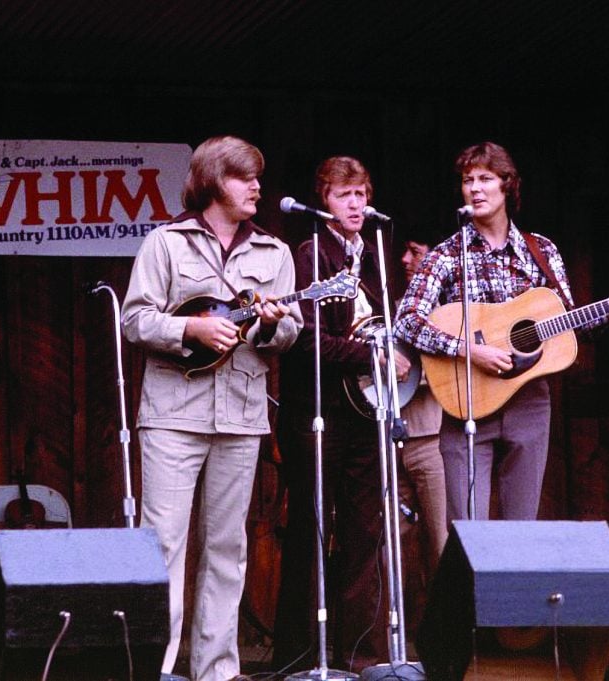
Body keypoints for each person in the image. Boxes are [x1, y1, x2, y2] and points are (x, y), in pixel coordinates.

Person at [121, 135, 301, 681]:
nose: (256, 187)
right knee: (164, 546)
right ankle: (158, 669)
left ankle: (216, 671)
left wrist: (270, 323)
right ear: (213, 182)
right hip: (172, 415)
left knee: (227, 548)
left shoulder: (275, 252)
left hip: (242, 416)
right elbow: (134, 320)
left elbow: (288, 332)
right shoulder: (166, 244)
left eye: (257, 177)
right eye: (244, 177)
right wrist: (190, 327)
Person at [394, 141, 609, 523]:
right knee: (468, 532)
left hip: (529, 402)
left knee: (521, 529)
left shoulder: (540, 250)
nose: (475, 188)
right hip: (468, 402)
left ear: (507, 185)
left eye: (485, 179)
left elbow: (570, 323)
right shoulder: (447, 255)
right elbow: (407, 321)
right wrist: (467, 350)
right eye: (467, 180)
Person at [273, 156, 412, 674]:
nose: (355, 204)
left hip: (364, 413)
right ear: (324, 201)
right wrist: (370, 356)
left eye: (361, 194)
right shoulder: (311, 254)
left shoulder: (375, 253)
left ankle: (362, 657)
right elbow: (307, 341)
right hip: (317, 411)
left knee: (363, 532)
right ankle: (301, 656)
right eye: (343, 195)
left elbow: (384, 326)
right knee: (311, 530)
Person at [395, 225, 448, 590]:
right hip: (393, 438)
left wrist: (409, 373)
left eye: (414, 251)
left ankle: (454, 640)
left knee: (443, 540)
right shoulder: (400, 307)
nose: (405, 260)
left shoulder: (452, 309)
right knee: (388, 541)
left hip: (435, 438)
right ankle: (385, 641)